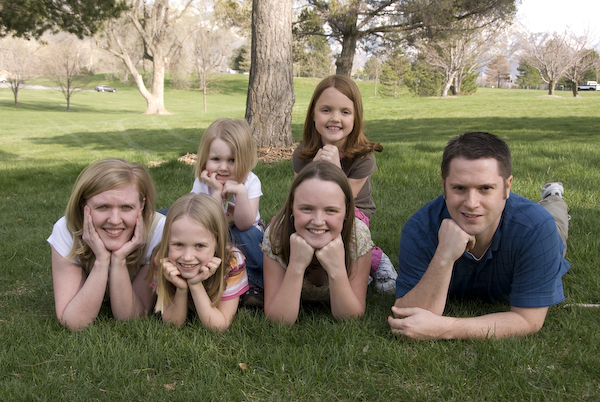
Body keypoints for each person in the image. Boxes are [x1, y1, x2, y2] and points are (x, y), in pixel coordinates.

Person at [388, 132, 570, 340]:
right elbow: (406, 316)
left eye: (485, 188)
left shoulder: (536, 229)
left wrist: (445, 328)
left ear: (507, 187)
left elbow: (528, 320)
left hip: (541, 226)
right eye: (459, 188)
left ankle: (554, 197)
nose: (471, 203)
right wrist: (444, 255)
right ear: (444, 187)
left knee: (555, 220)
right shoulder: (420, 229)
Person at [292, 74, 396, 294]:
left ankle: (375, 260)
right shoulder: (303, 153)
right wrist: (314, 169)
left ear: (356, 117)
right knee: (287, 223)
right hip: (314, 208)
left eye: (345, 112)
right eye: (326, 110)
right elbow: (297, 196)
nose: (335, 118)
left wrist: (334, 169)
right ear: (313, 114)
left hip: (354, 211)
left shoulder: (364, 156)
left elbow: (345, 201)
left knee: (348, 229)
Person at [47, 158, 165, 330]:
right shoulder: (66, 230)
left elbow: (131, 317)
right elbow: (74, 321)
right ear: (83, 205)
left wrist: (119, 260)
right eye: (103, 207)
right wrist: (101, 260)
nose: (115, 220)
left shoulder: (159, 232)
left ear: (142, 205)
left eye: (126, 207)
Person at [262, 161, 373, 325]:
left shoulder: (357, 235)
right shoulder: (276, 235)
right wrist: (296, 265)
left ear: (346, 210)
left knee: (375, 263)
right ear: (292, 207)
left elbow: (350, 317)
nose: (318, 221)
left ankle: (379, 263)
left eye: (331, 210)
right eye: (307, 208)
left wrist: (336, 268)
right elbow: (279, 320)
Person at [148, 193, 249, 331]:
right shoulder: (162, 260)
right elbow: (173, 323)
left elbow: (218, 326)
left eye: (199, 246)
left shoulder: (232, 263)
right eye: (178, 244)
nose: (187, 257)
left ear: (217, 244)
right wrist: (181, 288)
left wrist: (195, 284)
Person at [190, 118, 264, 306]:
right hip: (214, 232)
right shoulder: (203, 183)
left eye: (232, 160)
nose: (223, 167)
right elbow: (206, 222)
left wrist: (241, 192)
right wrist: (216, 192)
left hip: (244, 235)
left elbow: (244, 224)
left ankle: (254, 283)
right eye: (216, 159)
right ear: (205, 158)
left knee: (247, 235)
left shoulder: (250, 181)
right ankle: (216, 281)